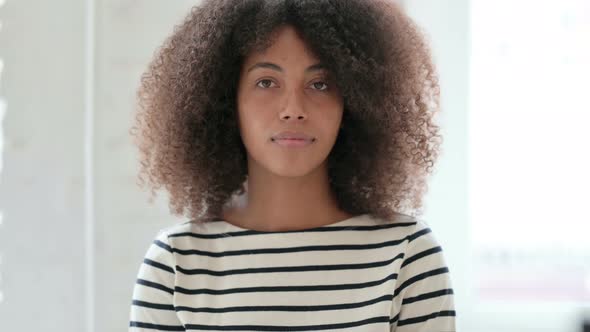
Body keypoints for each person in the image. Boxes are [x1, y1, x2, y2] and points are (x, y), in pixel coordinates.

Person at [128, 0, 455, 331]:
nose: (293, 109)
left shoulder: (407, 255)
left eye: (320, 84)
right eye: (267, 82)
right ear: (226, 99)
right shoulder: (175, 264)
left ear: (354, 102)